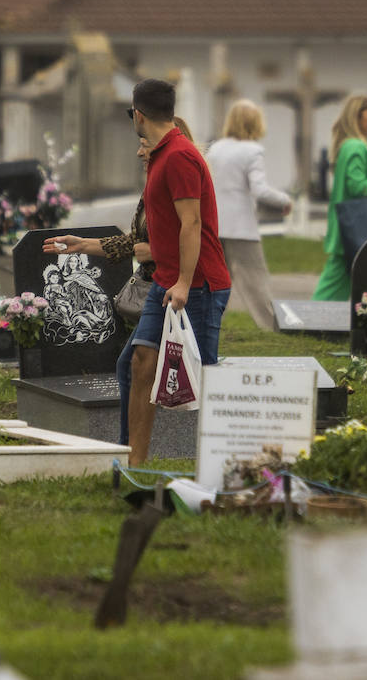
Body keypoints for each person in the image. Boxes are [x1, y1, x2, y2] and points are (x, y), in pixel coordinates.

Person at [46, 118, 194, 445]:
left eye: (145, 144)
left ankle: (134, 448)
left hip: (177, 289)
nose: (140, 151)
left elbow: (192, 236)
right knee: (131, 366)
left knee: (141, 366)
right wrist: (83, 244)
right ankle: (129, 447)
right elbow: (136, 242)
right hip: (159, 287)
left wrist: (152, 251)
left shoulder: (179, 182)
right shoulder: (153, 185)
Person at [108, 81, 230, 465]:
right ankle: (133, 464)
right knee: (136, 364)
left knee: (203, 380)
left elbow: (191, 224)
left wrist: (182, 282)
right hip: (169, 283)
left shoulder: (178, 156)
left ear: (139, 115)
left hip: (197, 286)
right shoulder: (161, 154)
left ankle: (225, 463)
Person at [205, 100, 292, 330]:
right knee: (256, 280)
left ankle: (207, 323)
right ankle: (270, 326)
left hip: (215, 223)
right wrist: (284, 200)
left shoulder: (215, 148)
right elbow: (260, 190)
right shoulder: (253, 150)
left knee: (216, 281)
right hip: (241, 226)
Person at [312, 95, 367, 301]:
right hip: (352, 227)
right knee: (333, 283)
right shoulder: (356, 147)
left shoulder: (353, 145)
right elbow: (358, 187)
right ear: (356, 116)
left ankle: (317, 321)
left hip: (347, 226)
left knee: (343, 281)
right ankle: (309, 321)